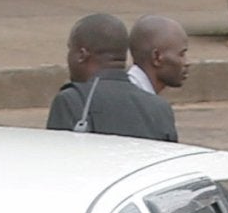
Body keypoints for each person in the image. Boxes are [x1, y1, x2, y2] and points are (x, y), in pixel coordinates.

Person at [45, 14, 178, 142]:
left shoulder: (72, 101)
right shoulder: (160, 108)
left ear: (82, 55)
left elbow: (59, 160)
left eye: (70, 49)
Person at [127, 15, 192, 98]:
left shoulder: (130, 92)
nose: (187, 62)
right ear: (157, 57)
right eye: (181, 54)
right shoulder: (140, 103)